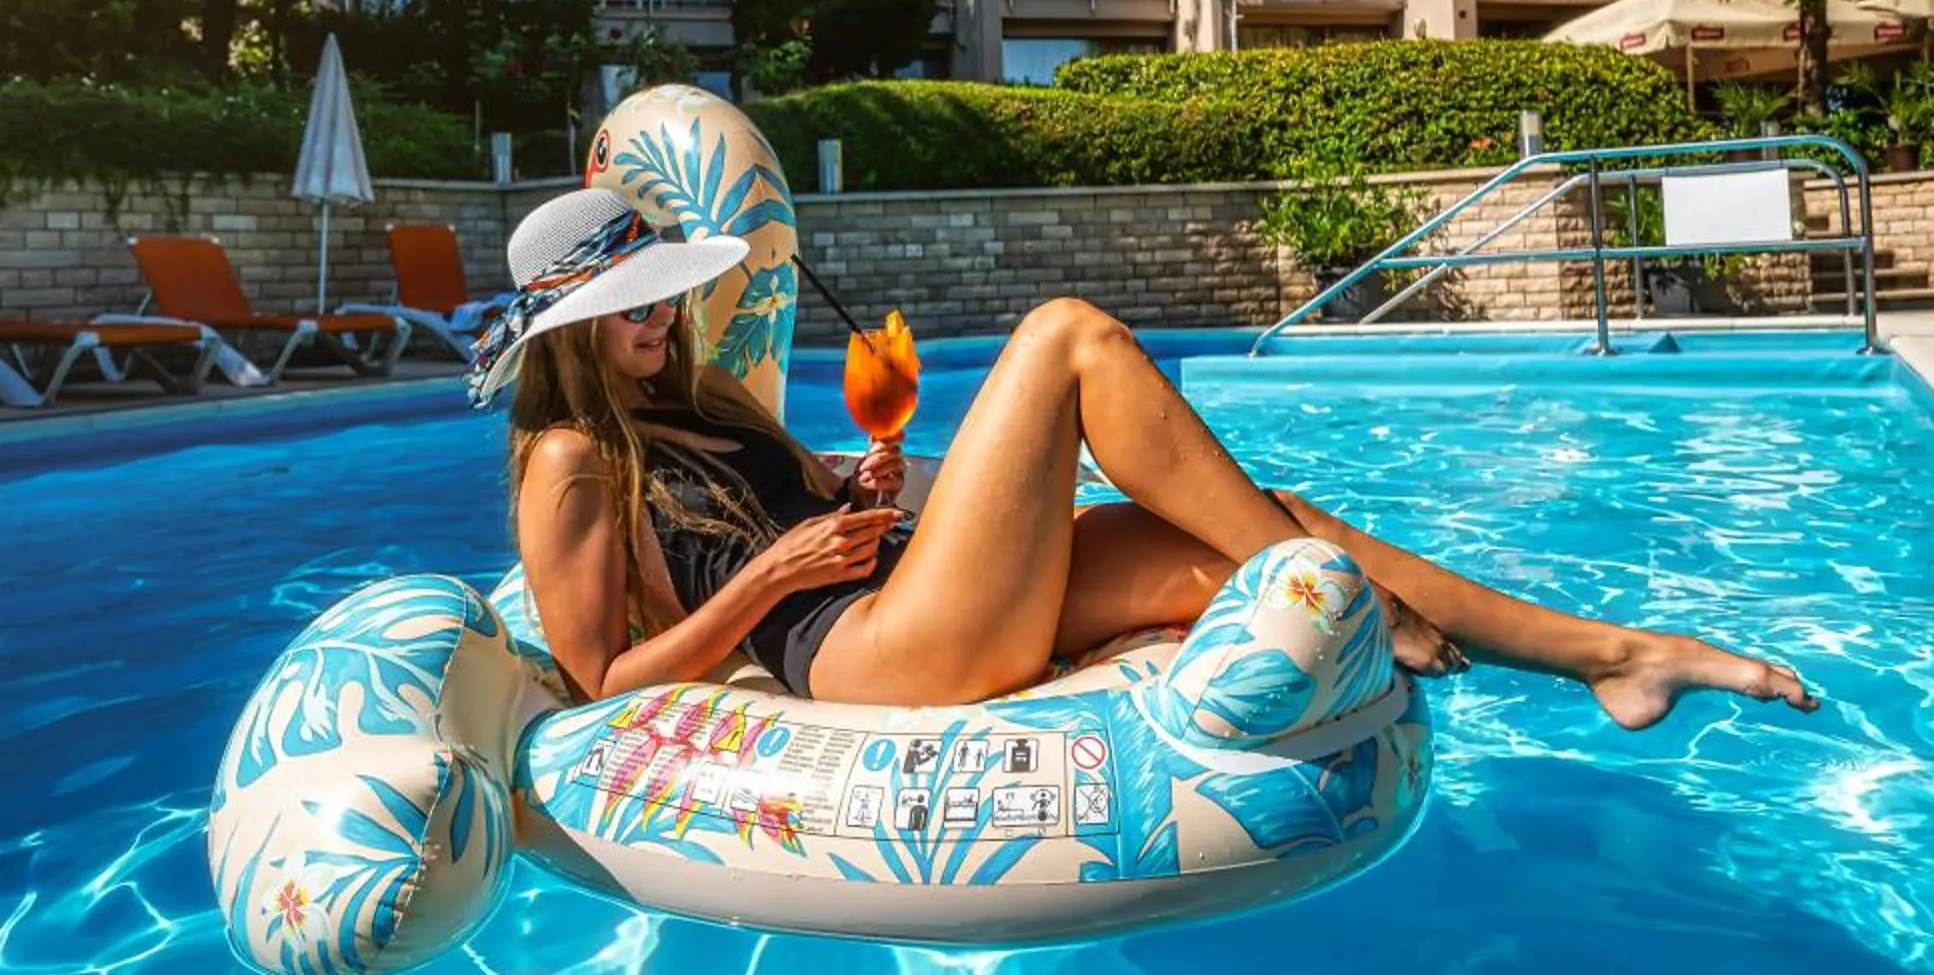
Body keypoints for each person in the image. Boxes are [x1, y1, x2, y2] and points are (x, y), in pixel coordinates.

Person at [477, 189, 1816, 727]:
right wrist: (774, 576)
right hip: (864, 653)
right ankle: (1384, 615)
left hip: (888, 594)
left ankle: (1615, 658)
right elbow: (602, 677)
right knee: (1066, 336)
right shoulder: (570, 463)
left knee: (1274, 515)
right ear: (572, 329)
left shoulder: (692, 402)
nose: (659, 319)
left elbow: (788, 507)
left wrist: (852, 493)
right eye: (631, 307)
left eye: (661, 295)